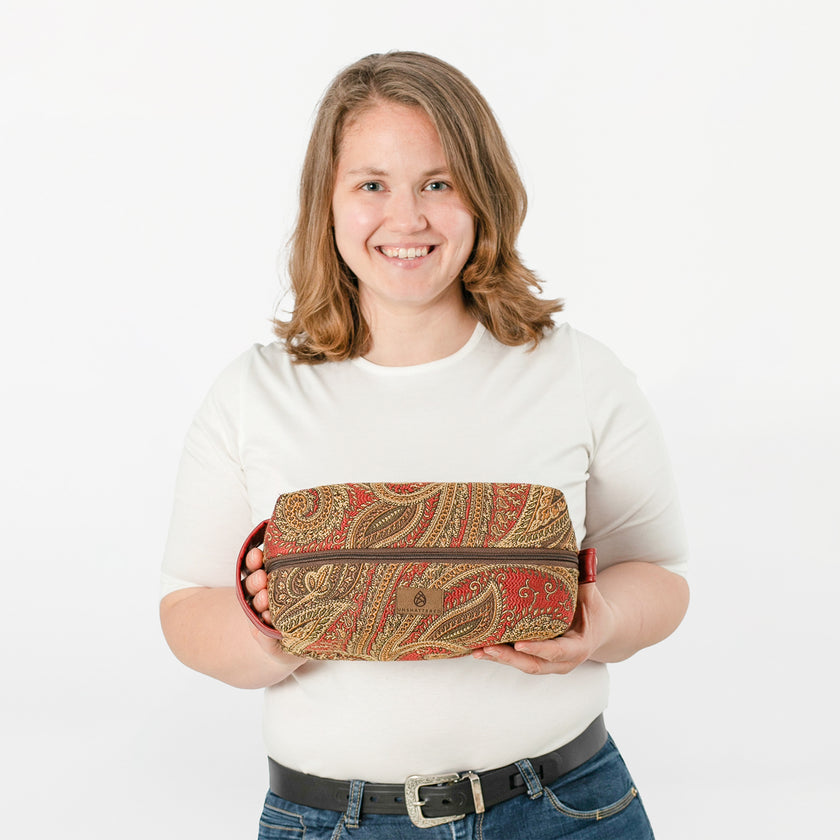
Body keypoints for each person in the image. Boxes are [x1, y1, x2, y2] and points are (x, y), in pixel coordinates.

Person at [160, 51, 689, 839]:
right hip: (331, 821)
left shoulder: (577, 371)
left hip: (564, 809)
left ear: (483, 196)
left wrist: (599, 624)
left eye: (438, 184)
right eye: (372, 185)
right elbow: (184, 607)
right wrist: (271, 629)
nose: (406, 219)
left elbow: (663, 576)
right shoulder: (253, 392)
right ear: (327, 202)